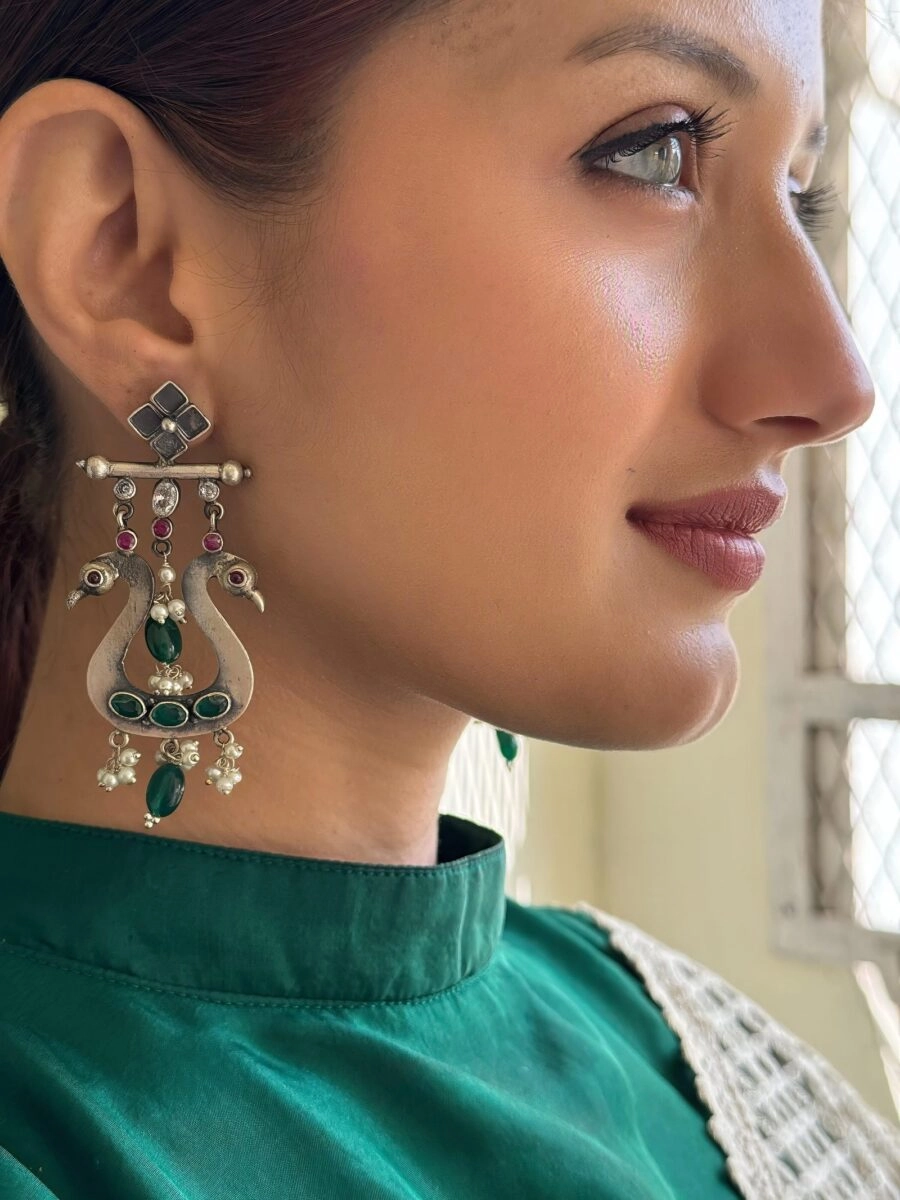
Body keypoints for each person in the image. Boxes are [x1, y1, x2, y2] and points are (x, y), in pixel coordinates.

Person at [0, 0, 897, 1196]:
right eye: (655, 153)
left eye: (801, 198)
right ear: (125, 255)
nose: (835, 383)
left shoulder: (728, 1080)